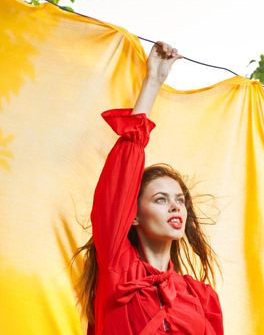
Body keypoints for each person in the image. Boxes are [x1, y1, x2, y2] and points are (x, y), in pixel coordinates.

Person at [74, 42, 223, 334]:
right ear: (134, 215)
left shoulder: (202, 298)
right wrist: (154, 80)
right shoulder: (118, 268)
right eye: (160, 199)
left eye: (179, 200)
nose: (175, 206)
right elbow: (123, 170)